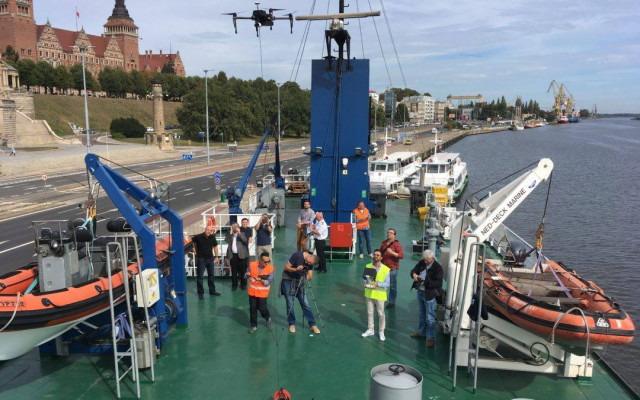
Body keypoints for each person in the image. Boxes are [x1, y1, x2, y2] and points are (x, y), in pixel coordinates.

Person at [409, 249, 443, 347]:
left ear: (432, 258)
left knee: (430, 317)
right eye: (424, 259)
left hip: (429, 295)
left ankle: (430, 338)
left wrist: (425, 282)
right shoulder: (422, 262)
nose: (424, 261)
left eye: (427, 260)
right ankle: (421, 333)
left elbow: (438, 283)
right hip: (420, 292)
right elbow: (413, 270)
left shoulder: (438, 268)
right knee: (421, 314)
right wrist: (414, 275)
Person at [281, 251, 320, 334]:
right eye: (309, 262)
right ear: (310, 256)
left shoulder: (310, 263)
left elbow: (310, 276)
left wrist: (307, 276)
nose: (308, 263)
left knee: (305, 303)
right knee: (290, 303)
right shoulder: (297, 255)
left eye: (310, 264)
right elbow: (286, 267)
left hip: (299, 281)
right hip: (288, 280)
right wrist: (296, 269)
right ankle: (291, 324)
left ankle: (312, 324)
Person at [361, 249, 390, 342]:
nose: (376, 256)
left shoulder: (386, 269)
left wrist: (377, 284)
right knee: (370, 312)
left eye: (378, 255)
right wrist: (364, 283)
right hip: (369, 293)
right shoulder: (368, 266)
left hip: (380, 294)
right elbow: (364, 279)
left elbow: (387, 283)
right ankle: (371, 329)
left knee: (381, 313)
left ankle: (381, 331)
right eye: (375, 254)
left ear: (381, 257)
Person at [245, 251, 274, 333]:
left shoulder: (270, 269)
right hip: (252, 292)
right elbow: (246, 275)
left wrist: (261, 280)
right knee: (252, 309)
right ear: (260, 260)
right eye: (265, 262)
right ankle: (253, 326)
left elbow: (269, 281)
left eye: (269, 261)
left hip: (262, 293)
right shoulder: (252, 265)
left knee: (262, 308)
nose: (267, 263)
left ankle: (267, 317)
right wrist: (247, 274)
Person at [191, 225, 221, 299]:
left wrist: (216, 257)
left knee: (211, 275)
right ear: (205, 229)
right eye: (208, 230)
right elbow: (190, 241)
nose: (209, 232)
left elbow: (215, 246)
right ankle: (200, 293)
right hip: (201, 259)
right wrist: (193, 248)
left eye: (210, 230)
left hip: (210, 259)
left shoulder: (212, 237)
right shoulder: (198, 237)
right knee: (200, 277)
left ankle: (212, 291)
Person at [380, 228, 404, 308]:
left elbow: (401, 256)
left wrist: (392, 252)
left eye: (391, 233)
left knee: (393, 286)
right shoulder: (383, 243)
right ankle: (380, 300)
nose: (388, 234)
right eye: (388, 232)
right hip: (383, 267)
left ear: (394, 235)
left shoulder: (397, 244)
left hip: (392, 268)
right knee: (381, 284)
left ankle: (391, 301)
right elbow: (381, 253)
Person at [225, 222, 249, 291]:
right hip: (233, 255)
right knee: (234, 271)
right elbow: (226, 240)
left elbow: (245, 240)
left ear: (238, 227)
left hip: (242, 255)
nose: (234, 228)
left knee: (243, 271)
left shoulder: (242, 233)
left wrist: (238, 233)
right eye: (233, 227)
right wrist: (230, 233)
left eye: (235, 226)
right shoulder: (230, 235)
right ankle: (234, 285)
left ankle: (243, 285)